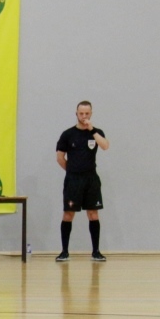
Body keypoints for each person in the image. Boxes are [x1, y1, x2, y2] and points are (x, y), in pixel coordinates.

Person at [56, 101, 109, 262]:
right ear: (76, 114)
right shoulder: (68, 134)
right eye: (81, 113)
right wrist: (72, 172)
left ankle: (96, 251)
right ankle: (64, 251)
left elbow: (105, 146)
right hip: (73, 180)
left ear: (91, 114)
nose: (84, 116)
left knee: (93, 214)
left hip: (91, 179)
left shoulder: (96, 132)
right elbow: (60, 158)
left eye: (87, 113)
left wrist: (92, 129)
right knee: (68, 214)